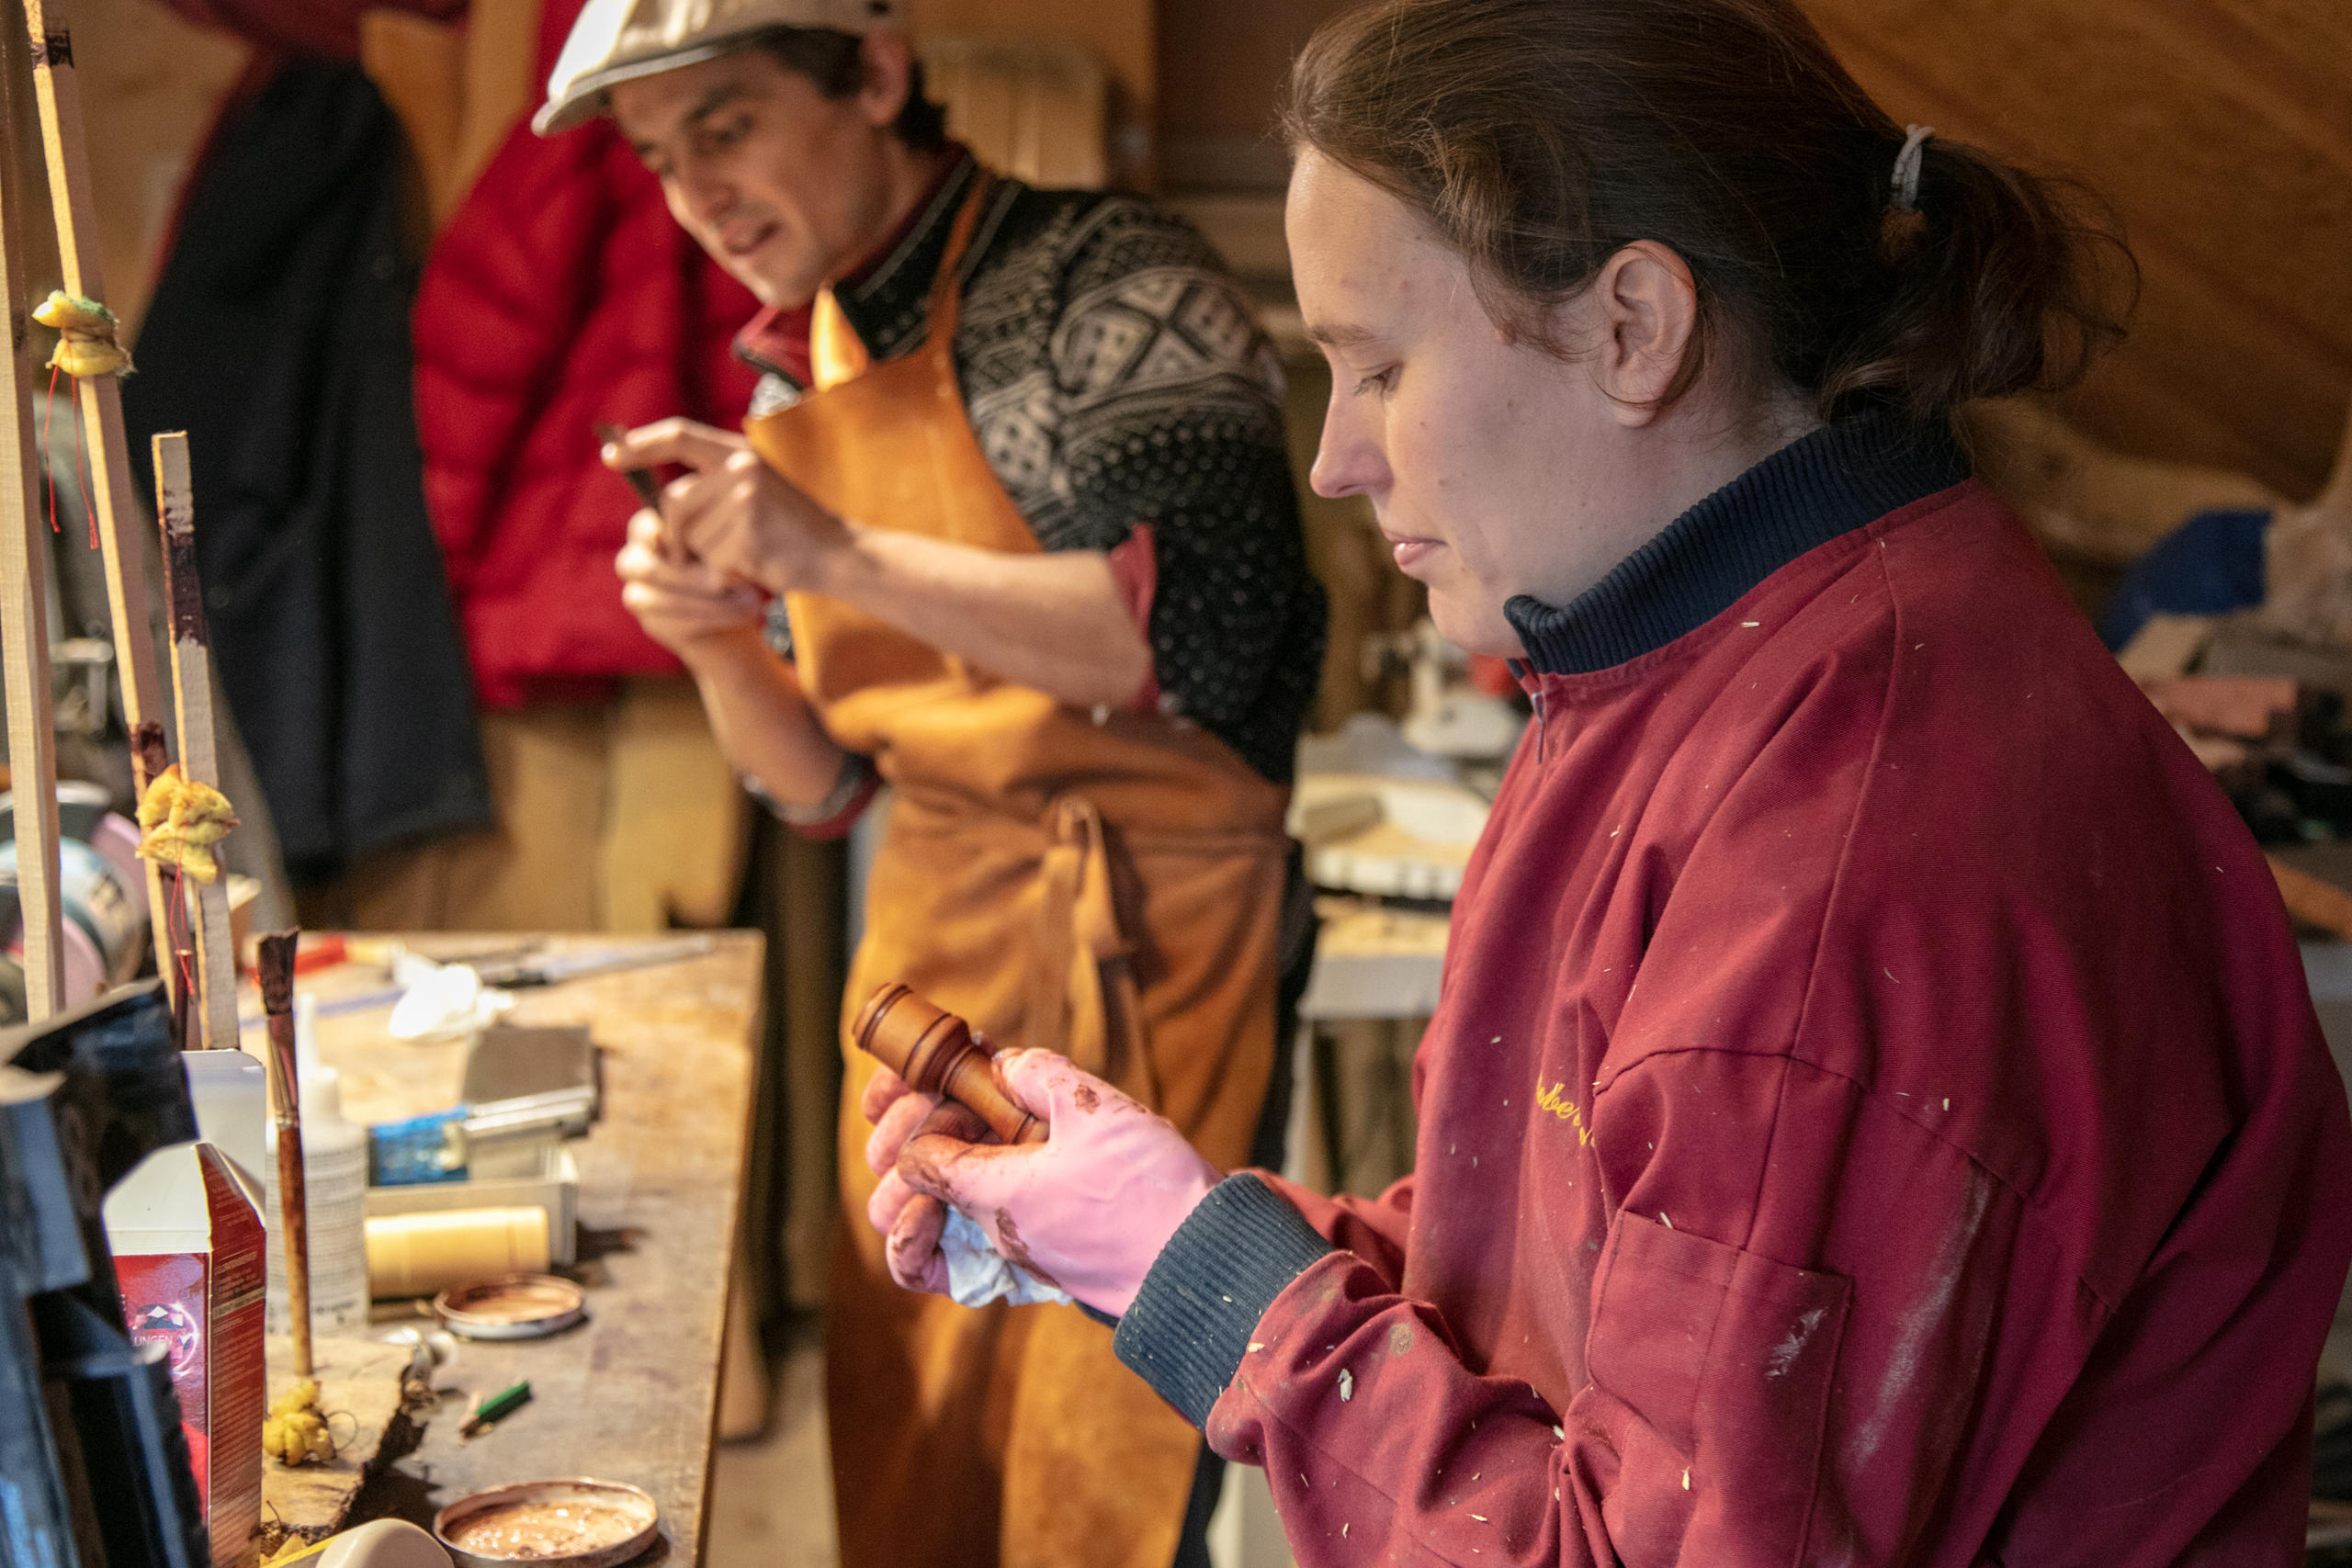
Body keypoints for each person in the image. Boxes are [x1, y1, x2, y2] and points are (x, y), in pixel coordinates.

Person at [865, 1, 2352, 1562]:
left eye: (1377, 366)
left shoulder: (1845, 858)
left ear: (1634, 325)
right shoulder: (1694, 658)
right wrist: (1171, 1239)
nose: (1337, 459)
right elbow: (1580, 1284)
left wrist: (1211, 1285)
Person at [530, 2, 1327, 1564]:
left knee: (1099, 1456)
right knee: (917, 1448)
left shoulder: (1111, 280)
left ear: (877, 75)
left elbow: (1209, 637)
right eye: (661, 159)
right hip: (933, 940)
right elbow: (826, 787)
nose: (701, 195)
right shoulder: (794, 385)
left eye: (731, 126)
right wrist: (714, 647)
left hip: (1158, 945)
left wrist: (827, 552)